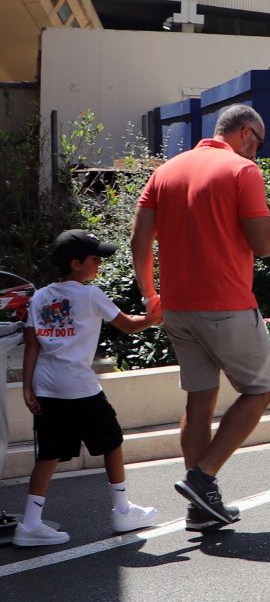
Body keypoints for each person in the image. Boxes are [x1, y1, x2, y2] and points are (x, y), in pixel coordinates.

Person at [130, 105, 270, 530]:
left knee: (199, 399)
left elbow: (138, 240)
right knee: (261, 389)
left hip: (177, 308)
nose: (258, 155)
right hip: (226, 305)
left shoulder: (167, 171)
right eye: (258, 144)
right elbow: (264, 244)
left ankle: (200, 508)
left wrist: (152, 295)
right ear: (246, 133)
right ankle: (201, 476)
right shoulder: (242, 172)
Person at [15, 231, 162, 547]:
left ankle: (29, 523)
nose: (98, 263)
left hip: (47, 387)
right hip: (80, 387)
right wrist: (154, 318)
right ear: (75, 263)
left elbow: (31, 345)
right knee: (112, 441)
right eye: (94, 258)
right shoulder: (91, 295)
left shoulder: (39, 296)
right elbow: (128, 324)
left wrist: (27, 389)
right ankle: (122, 510)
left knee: (49, 455)